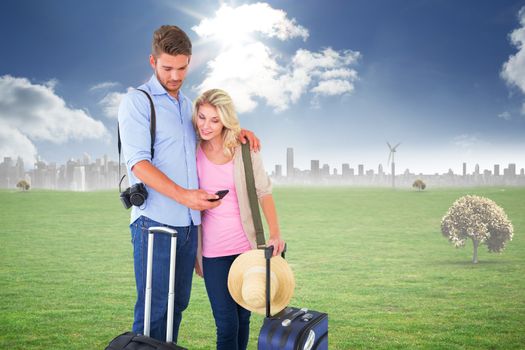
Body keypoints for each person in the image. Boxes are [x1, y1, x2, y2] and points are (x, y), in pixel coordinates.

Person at [117, 25, 259, 343]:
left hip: (189, 229)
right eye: (168, 68)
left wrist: (239, 131)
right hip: (155, 225)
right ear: (152, 61)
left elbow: (211, 133)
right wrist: (185, 196)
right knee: (155, 309)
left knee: (177, 305)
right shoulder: (137, 102)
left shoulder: (187, 106)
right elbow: (138, 164)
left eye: (182, 68)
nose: (175, 75)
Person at [192, 89, 286, 350]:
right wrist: (196, 256)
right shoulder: (191, 150)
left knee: (243, 318)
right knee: (226, 324)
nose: (206, 126)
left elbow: (264, 192)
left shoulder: (244, 148)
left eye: (214, 119)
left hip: (247, 249)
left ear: (225, 120)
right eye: (202, 117)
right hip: (212, 253)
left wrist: (275, 233)